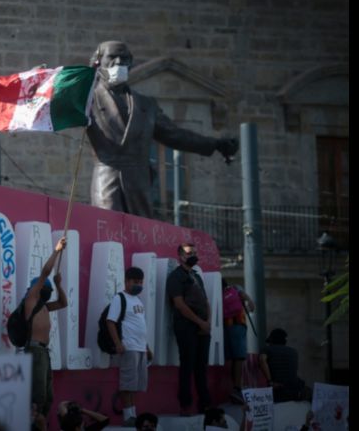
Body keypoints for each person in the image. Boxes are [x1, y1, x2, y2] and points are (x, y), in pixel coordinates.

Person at [87, 40, 239, 218]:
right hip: (107, 182)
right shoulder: (89, 99)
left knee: (139, 233)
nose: (119, 62)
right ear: (98, 62)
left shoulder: (146, 105)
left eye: (124, 58)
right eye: (112, 57)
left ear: (131, 63)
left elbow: (174, 135)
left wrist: (215, 144)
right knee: (107, 230)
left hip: (140, 186)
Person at [24, 237, 68, 421]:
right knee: (38, 395)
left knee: (48, 395)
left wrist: (58, 285)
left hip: (43, 351)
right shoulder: (31, 300)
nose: (47, 292)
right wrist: (57, 250)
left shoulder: (44, 306)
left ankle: (41, 422)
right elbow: (45, 273)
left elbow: (63, 303)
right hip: (35, 350)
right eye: (46, 289)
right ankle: (34, 424)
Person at [166, 242, 211, 415]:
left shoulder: (196, 276)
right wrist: (200, 322)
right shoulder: (175, 277)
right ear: (180, 256)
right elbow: (179, 304)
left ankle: (205, 404)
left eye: (195, 252)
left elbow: (206, 301)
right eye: (189, 253)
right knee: (187, 366)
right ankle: (185, 406)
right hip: (186, 327)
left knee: (202, 367)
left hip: (203, 328)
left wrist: (208, 322)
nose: (193, 255)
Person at [108, 266, 153, 426]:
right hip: (129, 347)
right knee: (127, 384)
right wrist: (118, 343)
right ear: (127, 281)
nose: (139, 285)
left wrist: (147, 347)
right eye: (135, 281)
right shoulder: (119, 298)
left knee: (134, 385)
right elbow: (110, 322)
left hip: (140, 348)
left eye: (141, 282)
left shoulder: (138, 301)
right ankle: (128, 417)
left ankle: (133, 415)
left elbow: (140, 326)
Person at [221, 278, 255, 404]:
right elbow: (249, 302)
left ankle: (235, 388)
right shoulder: (235, 288)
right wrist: (250, 303)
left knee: (232, 358)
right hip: (238, 326)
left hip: (225, 328)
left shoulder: (218, 293)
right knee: (239, 357)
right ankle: (237, 388)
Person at [259, 328, 309, 403]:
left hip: (278, 388)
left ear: (272, 340)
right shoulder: (294, 351)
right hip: (294, 388)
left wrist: (270, 382)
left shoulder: (267, 349)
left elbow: (262, 359)